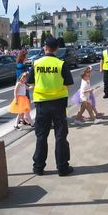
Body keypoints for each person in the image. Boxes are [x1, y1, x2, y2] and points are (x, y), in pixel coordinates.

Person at [27, 36, 74, 176]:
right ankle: (62, 167)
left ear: (44, 47)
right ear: (57, 49)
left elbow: (30, 83)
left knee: (41, 135)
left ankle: (38, 167)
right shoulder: (61, 63)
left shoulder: (36, 63)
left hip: (41, 103)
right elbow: (69, 84)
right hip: (59, 102)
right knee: (60, 135)